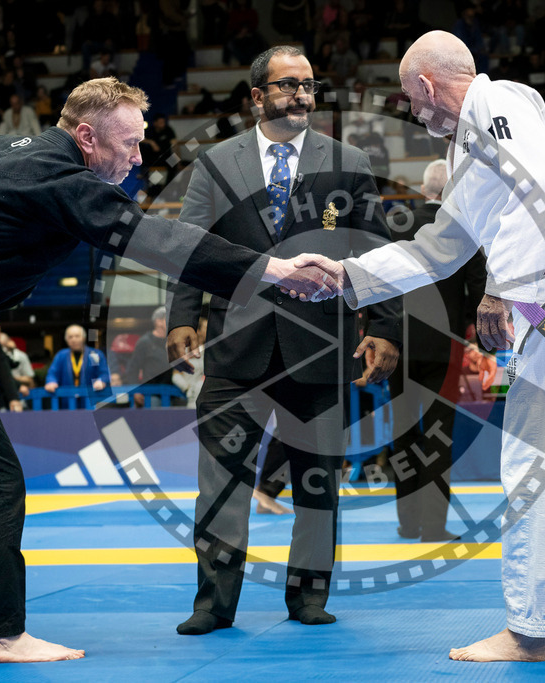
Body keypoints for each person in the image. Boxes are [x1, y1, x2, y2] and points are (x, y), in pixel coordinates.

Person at [0, 76, 337, 663]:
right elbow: (157, 239)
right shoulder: (61, 177)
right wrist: (274, 270)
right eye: (130, 143)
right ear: (87, 136)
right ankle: (4, 634)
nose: (137, 158)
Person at [297, 31, 545, 663]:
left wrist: (501, 285)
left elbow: (541, 188)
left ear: (427, 84)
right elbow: (439, 247)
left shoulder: (499, 104)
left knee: (535, 464)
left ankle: (529, 629)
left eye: (411, 99)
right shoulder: (469, 149)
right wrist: (349, 276)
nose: (414, 113)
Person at [166, 46, 402, 636]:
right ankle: (213, 604)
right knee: (220, 482)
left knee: (317, 482)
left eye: (308, 84)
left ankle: (309, 597)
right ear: (257, 96)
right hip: (234, 345)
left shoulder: (347, 162)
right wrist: (181, 316)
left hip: (321, 344)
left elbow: (376, 252)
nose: (301, 93)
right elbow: (191, 245)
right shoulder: (216, 163)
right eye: (287, 84)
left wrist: (384, 326)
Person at [389, 159, 486, 543]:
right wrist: (479, 338)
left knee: (403, 433)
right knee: (437, 435)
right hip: (444, 347)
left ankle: (407, 522)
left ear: (424, 188)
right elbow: (479, 288)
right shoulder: (462, 228)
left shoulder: (397, 224)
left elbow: (378, 279)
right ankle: (432, 527)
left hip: (398, 344)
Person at [43, 325, 110, 408]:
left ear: (84, 338)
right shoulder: (61, 355)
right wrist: (51, 381)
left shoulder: (94, 355)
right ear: (66, 340)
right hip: (67, 402)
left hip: (90, 401)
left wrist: (101, 381)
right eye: (70, 337)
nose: (74, 339)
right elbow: (53, 373)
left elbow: (104, 372)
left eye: (77, 336)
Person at [125, 306, 173, 408]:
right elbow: (132, 369)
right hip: (152, 395)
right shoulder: (145, 342)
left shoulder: (173, 341)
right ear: (159, 322)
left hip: (172, 393)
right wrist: (136, 391)